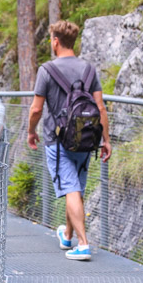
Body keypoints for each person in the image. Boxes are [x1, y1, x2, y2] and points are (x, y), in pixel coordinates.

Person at [27, 20, 112, 261]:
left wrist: (31, 131)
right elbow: (100, 107)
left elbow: (36, 109)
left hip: (57, 139)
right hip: (86, 137)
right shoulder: (89, 69)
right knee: (74, 187)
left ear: (55, 41)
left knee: (70, 188)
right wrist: (106, 139)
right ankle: (67, 236)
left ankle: (83, 244)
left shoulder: (47, 70)